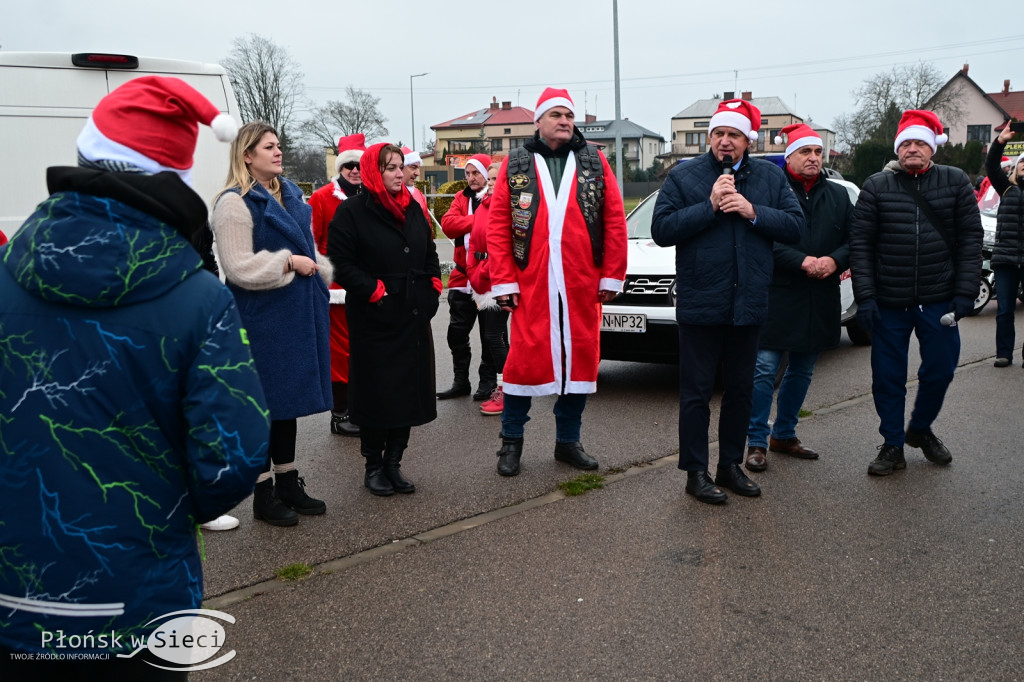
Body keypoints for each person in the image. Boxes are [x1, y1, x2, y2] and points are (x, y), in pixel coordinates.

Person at [0, 76, 267, 672]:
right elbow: (233, 455)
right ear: (173, 176)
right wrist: (173, 509)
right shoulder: (199, 299)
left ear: (82, 159)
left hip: (13, 592)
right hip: (141, 595)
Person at [651, 99, 803, 504]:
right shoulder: (684, 177)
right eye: (717, 134)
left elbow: (794, 226)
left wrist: (754, 212)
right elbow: (662, 229)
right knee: (697, 392)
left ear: (746, 141)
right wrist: (709, 206)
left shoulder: (770, 178)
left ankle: (730, 466)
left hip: (748, 302)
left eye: (733, 135)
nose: (723, 141)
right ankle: (696, 473)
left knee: (740, 390)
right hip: (701, 301)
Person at [486, 87, 628, 476]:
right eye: (556, 115)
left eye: (569, 115)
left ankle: (568, 442)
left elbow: (614, 220)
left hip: (582, 283)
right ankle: (511, 443)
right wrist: (504, 282)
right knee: (522, 365)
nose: (565, 121)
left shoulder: (594, 162)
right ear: (539, 121)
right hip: (531, 283)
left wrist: (612, 274)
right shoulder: (516, 163)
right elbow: (498, 227)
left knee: (578, 362)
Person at [212, 121, 333, 524]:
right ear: (247, 155)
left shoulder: (292, 195)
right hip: (260, 319)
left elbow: (311, 250)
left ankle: (287, 482)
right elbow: (238, 266)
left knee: (287, 404)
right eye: (268, 147)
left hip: (294, 312)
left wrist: (320, 274)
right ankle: (262, 494)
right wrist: (288, 262)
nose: (278, 152)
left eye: (279, 145)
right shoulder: (234, 202)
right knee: (263, 407)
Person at [850, 109, 982, 476]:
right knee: (887, 377)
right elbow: (860, 243)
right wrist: (867, 297)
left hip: (939, 299)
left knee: (940, 370)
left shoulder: (955, 181)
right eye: (906, 143)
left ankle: (920, 430)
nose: (912, 149)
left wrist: (965, 292)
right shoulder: (876, 185)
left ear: (933, 148)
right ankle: (893, 444)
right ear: (897, 148)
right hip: (889, 303)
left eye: (920, 143)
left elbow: (971, 239)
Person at [328, 143, 442, 496]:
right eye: (390, 167)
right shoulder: (352, 212)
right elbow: (341, 263)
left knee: (408, 393)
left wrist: (434, 285)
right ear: (375, 171)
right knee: (379, 395)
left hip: (412, 314)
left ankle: (394, 462)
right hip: (375, 317)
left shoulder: (413, 207)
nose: (398, 173)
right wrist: (374, 291)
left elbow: (430, 251)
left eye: (399, 167)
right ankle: (373, 465)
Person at [744, 124, 851, 472]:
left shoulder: (837, 195)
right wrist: (801, 260)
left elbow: (855, 238)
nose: (813, 159)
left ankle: (784, 433)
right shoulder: (771, 191)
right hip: (777, 293)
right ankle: (756, 441)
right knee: (763, 369)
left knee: (803, 370)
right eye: (806, 152)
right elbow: (761, 239)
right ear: (789, 156)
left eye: (818, 153)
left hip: (820, 295)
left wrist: (835, 260)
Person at [308, 133, 366, 437]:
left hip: (367, 283)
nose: (354, 170)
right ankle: (340, 413)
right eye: (349, 165)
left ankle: (362, 407)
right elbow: (312, 242)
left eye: (359, 164)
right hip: (336, 289)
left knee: (364, 348)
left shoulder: (371, 195)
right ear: (341, 168)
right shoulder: (321, 197)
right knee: (341, 352)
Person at [438, 152, 496, 401]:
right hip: (462, 276)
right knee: (456, 333)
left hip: (489, 278)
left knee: (490, 335)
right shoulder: (461, 198)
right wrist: (477, 221)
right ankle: (461, 381)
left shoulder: (498, 199)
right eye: (468, 174)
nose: (471, 178)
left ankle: (488, 382)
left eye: (476, 173)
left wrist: (471, 221)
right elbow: (448, 224)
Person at [465, 161, 510, 416]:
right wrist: (474, 271)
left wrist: (484, 272)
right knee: (496, 336)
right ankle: (508, 388)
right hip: (481, 279)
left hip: (498, 280)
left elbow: (504, 248)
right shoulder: (483, 205)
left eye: (496, 179)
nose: (491, 184)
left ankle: (508, 390)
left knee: (494, 336)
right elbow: (474, 243)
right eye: (490, 179)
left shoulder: (508, 208)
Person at [984, 129, 1024, 368]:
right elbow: (991, 165)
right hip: (1006, 259)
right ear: (1017, 167)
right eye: (1022, 164)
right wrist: (999, 142)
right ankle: (1004, 353)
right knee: (1005, 310)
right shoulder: (1006, 188)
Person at [402, 145, 432, 226]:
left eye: (418, 168)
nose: (418, 173)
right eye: (413, 167)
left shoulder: (419, 195)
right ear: (400, 167)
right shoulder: (387, 195)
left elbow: (427, 226)